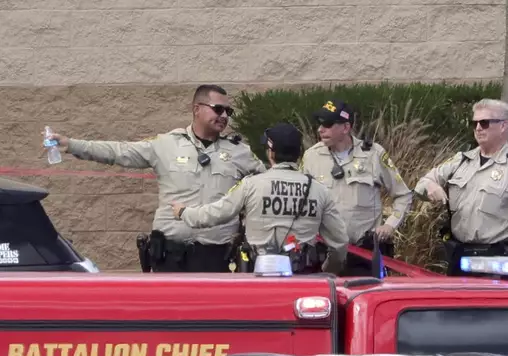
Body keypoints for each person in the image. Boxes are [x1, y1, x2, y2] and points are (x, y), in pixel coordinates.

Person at [45, 84, 267, 273]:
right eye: (218, 109)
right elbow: (119, 152)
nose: (225, 116)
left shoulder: (240, 152)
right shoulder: (166, 144)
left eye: (229, 111)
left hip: (218, 256)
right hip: (171, 255)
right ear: (197, 109)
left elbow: (267, 184)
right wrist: (72, 145)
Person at [170, 122, 349, 274]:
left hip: (257, 277)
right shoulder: (319, 190)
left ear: (271, 153)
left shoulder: (251, 184)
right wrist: (328, 270)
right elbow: (340, 243)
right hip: (303, 276)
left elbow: (214, 214)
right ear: (299, 153)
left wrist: (184, 212)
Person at [300, 99, 413, 276]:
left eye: (328, 125)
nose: (320, 130)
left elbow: (403, 195)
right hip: (324, 255)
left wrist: (390, 225)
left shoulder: (373, 154)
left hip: (363, 254)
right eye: (319, 124)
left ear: (345, 127)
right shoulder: (311, 156)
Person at [414, 98, 508, 276]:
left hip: (498, 262)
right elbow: (421, 185)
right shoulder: (461, 160)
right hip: (460, 256)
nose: (478, 128)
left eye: (484, 123)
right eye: (475, 123)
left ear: (503, 126)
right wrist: (431, 186)